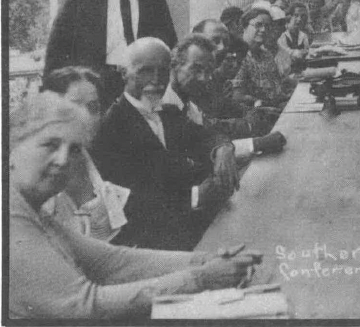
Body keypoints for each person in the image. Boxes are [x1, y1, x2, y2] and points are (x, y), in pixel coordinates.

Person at [9, 92, 261, 319]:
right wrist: (202, 277)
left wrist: (205, 260)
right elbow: (84, 303)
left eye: (74, 149)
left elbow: (110, 261)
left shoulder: (30, 208)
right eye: (50, 145)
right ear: (11, 145)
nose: (63, 160)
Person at [92, 38, 240, 251]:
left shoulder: (168, 113)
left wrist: (223, 148)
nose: (156, 81)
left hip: (190, 228)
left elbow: (208, 134)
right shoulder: (109, 129)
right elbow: (129, 205)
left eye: (163, 72)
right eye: (145, 71)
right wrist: (195, 197)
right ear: (124, 72)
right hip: (150, 245)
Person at [44, 0, 177, 103]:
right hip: (92, 83)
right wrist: (51, 89)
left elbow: (167, 40)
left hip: (138, 84)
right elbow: (57, 45)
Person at [40, 67, 129, 242]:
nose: (85, 116)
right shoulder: (37, 172)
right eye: (74, 106)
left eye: (93, 107)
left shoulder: (105, 160)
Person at [162, 34, 286, 156]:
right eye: (196, 69)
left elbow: (209, 132)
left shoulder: (187, 100)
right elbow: (197, 149)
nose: (203, 78)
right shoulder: (164, 105)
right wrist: (255, 143)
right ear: (174, 65)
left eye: (208, 72)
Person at [231, 7, 296, 109]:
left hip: (275, 108)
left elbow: (276, 90)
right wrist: (260, 103)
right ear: (244, 26)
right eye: (258, 25)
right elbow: (237, 96)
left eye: (268, 26)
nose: (264, 30)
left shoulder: (266, 55)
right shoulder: (238, 56)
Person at [278, 2, 311, 70]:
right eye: (296, 15)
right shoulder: (282, 36)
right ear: (289, 17)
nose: (299, 19)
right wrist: (302, 52)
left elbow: (307, 53)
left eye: (302, 16)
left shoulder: (303, 36)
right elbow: (291, 54)